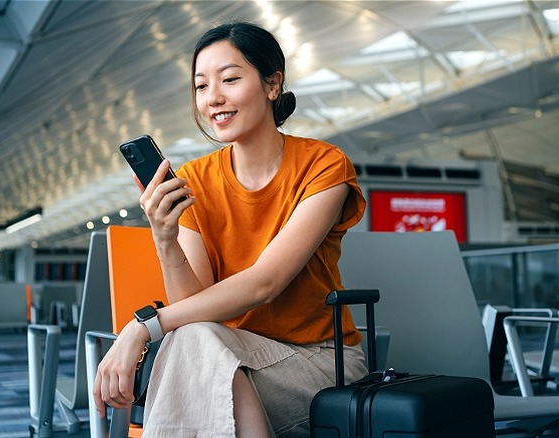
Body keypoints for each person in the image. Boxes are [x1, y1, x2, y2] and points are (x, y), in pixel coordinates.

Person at [93, 21, 368, 437]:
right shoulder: (196, 180)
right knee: (196, 343)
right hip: (223, 353)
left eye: (230, 79)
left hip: (319, 360)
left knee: (192, 351)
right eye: (201, 86)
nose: (213, 98)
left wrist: (143, 327)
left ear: (272, 84)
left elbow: (265, 283)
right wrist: (165, 237)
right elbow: (194, 306)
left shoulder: (323, 165)